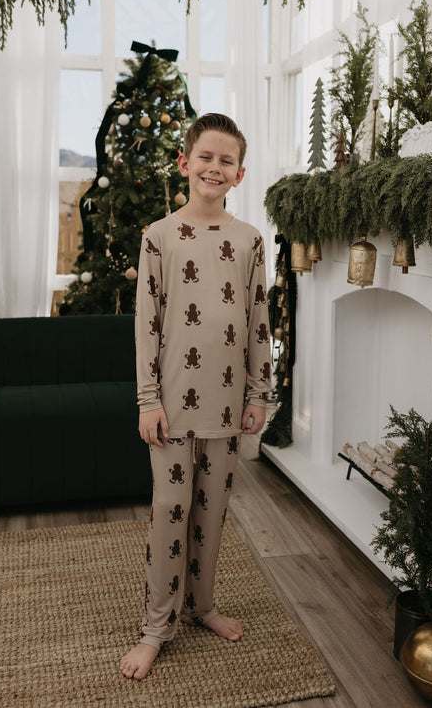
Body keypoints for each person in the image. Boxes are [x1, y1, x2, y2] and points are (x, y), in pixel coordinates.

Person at [120, 113, 271, 680]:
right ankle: (158, 626)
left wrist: (260, 393)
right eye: (205, 157)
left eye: (226, 160)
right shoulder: (158, 237)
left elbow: (258, 321)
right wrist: (147, 399)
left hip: (229, 406)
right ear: (185, 164)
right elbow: (147, 326)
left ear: (239, 174)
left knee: (213, 510)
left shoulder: (250, 241)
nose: (214, 167)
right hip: (173, 404)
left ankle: (202, 605)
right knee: (170, 509)